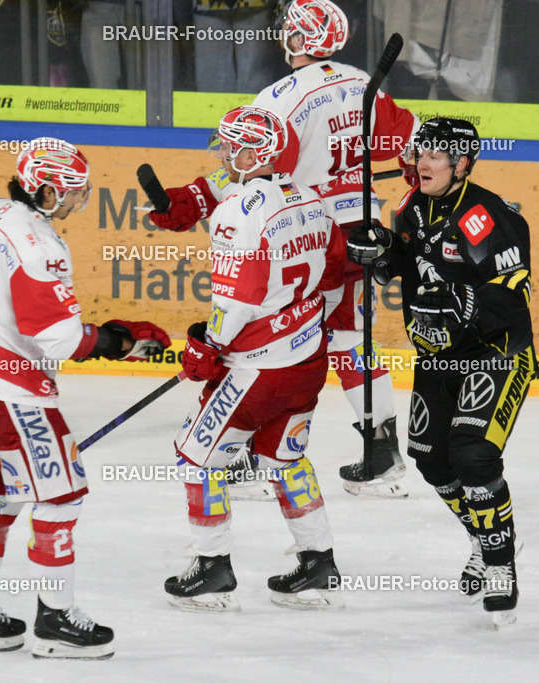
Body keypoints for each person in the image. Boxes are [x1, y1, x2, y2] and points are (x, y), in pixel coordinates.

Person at [150, 0, 420, 498]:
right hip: (362, 232)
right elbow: (410, 136)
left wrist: (195, 197)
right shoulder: (361, 81)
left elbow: (247, 166)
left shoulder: (280, 96)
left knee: (276, 339)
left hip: (302, 233)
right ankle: (381, 453)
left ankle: (253, 452)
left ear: (297, 39)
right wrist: (410, 179)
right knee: (352, 340)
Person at [0, 137, 171, 658]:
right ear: (44, 190)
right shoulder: (41, 248)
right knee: (61, 496)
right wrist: (115, 342)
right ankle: (56, 620)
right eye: (70, 193)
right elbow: (61, 340)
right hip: (11, 393)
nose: (77, 201)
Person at [347, 117, 535, 627]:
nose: (421, 162)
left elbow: (513, 295)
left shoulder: (488, 217)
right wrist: (382, 251)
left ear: (463, 164)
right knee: (432, 461)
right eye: (419, 152)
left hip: (495, 354)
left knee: (473, 456)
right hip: (437, 358)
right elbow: (408, 270)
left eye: (434, 155)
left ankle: (500, 565)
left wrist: (463, 299)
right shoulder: (413, 208)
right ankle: (484, 534)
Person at [164, 105, 347, 612]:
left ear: (251, 153)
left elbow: (236, 301)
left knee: (198, 459)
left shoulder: (236, 213)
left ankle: (212, 567)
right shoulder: (311, 199)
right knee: (283, 458)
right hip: (308, 362)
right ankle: (318, 563)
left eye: (228, 146)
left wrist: (208, 346)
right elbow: (333, 275)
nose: (221, 153)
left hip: (257, 369)